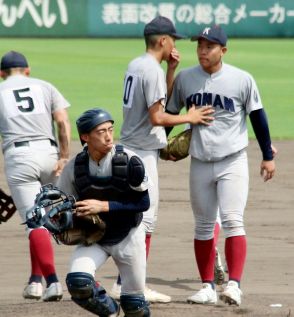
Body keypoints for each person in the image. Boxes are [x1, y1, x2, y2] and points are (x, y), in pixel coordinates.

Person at [166, 25, 276, 306]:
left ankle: (234, 285)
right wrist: (157, 146)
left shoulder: (241, 79)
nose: (202, 51)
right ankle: (206, 287)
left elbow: (258, 118)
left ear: (223, 50)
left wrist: (267, 155)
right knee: (203, 227)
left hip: (233, 161)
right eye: (199, 46)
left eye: (209, 46)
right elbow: (169, 114)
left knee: (232, 221)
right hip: (200, 162)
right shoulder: (186, 79)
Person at [108, 15, 215, 303]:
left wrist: (171, 70)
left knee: (134, 219)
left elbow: (156, 101)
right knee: (145, 221)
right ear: (164, 41)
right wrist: (189, 118)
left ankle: (124, 282)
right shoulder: (150, 70)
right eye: (174, 40)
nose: (176, 45)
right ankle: (134, 286)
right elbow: (158, 116)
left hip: (130, 148)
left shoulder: (137, 64)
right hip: (141, 154)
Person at [56, 108, 151, 317]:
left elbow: (143, 203)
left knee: (135, 306)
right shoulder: (75, 167)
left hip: (128, 236)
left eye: (110, 129)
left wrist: (103, 206)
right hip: (94, 237)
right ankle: (111, 313)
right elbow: (63, 203)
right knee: (79, 283)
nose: (108, 136)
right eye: (101, 131)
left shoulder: (129, 161)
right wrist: (56, 218)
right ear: (85, 137)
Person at [0, 51, 71, 300]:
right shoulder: (44, 86)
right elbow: (62, 122)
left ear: (1, 74)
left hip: (20, 159)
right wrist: (63, 157)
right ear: (27, 70)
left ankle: (52, 281)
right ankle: (35, 281)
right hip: (49, 154)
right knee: (43, 219)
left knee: (35, 223)